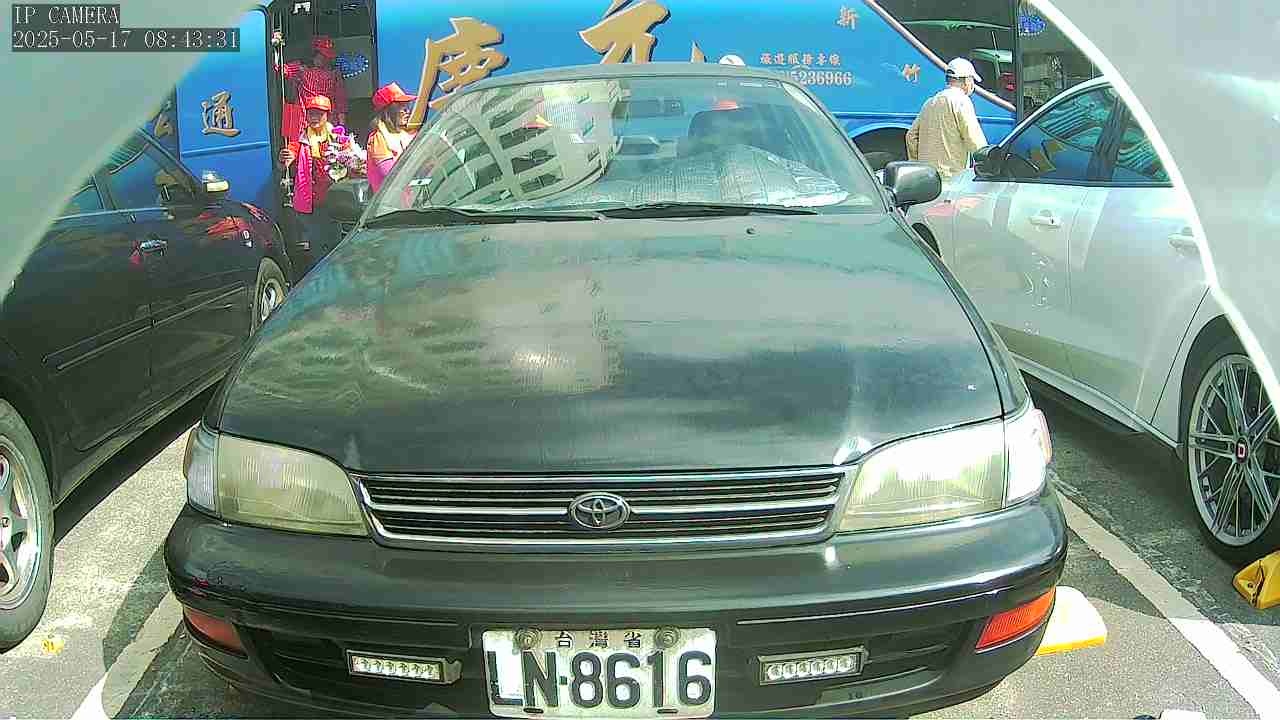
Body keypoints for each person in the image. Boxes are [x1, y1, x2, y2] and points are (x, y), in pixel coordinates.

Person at [280, 94, 352, 266]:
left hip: (335, 201)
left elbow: (351, 160)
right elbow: (286, 160)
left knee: (336, 243)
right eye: (311, 114)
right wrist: (285, 159)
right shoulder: (301, 139)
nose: (314, 118)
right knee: (317, 247)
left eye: (319, 114)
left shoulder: (338, 138)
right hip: (312, 204)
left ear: (327, 115)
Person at [905, 58, 989, 180]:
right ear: (966, 80)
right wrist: (987, 161)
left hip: (926, 178)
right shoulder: (961, 101)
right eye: (972, 80)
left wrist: (917, 163)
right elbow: (974, 138)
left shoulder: (930, 102)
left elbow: (911, 136)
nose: (972, 85)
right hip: (951, 178)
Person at [280, 35, 348, 143]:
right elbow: (280, 70)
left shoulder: (334, 74)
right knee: (299, 148)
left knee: (328, 149)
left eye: (326, 57)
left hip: (327, 123)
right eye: (320, 56)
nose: (323, 60)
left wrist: (341, 127)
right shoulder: (300, 69)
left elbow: (341, 102)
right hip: (302, 122)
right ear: (313, 54)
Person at [366, 82, 418, 193]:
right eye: (400, 106)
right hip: (390, 202)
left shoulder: (407, 134)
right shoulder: (378, 139)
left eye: (406, 106)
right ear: (387, 112)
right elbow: (391, 175)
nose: (407, 111)